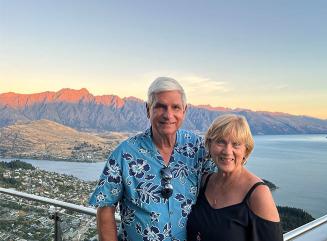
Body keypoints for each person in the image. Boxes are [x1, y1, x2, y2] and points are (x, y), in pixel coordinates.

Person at [89, 77, 214, 241]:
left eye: (175, 107)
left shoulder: (198, 148)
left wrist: (256, 189)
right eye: (160, 107)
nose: (168, 115)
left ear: (184, 110)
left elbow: (224, 182)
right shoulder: (125, 154)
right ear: (148, 109)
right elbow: (105, 206)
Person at [187, 114, 283, 241]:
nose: (227, 151)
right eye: (220, 142)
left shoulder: (257, 194)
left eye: (236, 144)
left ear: (246, 151)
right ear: (210, 145)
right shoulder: (204, 182)